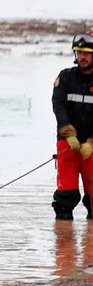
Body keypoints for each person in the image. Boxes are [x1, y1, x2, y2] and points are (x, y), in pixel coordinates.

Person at [51, 32, 93, 220]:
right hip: (68, 143)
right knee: (66, 196)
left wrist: (91, 141)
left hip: (91, 146)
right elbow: (58, 105)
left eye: (86, 53)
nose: (82, 57)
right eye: (79, 53)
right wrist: (68, 133)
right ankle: (63, 243)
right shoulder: (66, 77)